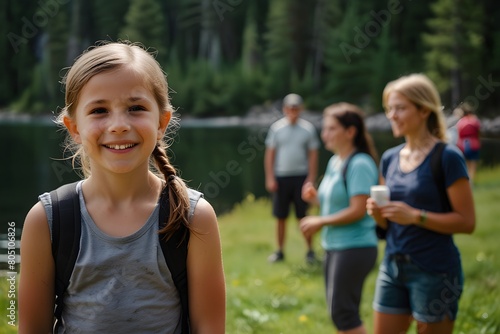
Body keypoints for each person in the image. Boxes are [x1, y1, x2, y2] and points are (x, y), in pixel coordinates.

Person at [18, 42, 226, 333]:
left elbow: (209, 327)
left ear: (161, 122)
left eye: (136, 108)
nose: (118, 125)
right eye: (99, 110)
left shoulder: (193, 217)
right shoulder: (47, 220)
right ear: (74, 127)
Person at [367, 74, 476, 334]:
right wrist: (378, 215)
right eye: (389, 108)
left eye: (400, 108)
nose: (392, 115)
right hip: (392, 266)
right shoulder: (389, 158)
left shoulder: (448, 157)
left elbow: (467, 222)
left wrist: (417, 216)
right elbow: (389, 224)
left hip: (434, 271)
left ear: (424, 110)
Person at [300, 103, 379, 334]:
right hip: (335, 246)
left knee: (344, 313)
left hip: (355, 247)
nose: (325, 134)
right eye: (325, 129)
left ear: (350, 131)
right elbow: (337, 203)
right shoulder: (336, 161)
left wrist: (320, 222)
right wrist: (316, 200)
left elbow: (358, 209)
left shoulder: (360, 163)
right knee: (339, 313)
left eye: (331, 129)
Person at [264, 93, 320, 263]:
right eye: (290, 107)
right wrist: (270, 177)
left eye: (296, 108)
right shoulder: (277, 129)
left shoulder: (308, 129)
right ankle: (280, 251)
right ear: (285, 109)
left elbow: (313, 156)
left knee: (303, 215)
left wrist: (310, 178)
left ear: (300, 109)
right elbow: (270, 155)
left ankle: (310, 251)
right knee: (281, 216)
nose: (293, 111)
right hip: (281, 177)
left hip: (301, 178)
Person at [455, 102, 481, 183]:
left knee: (465, 164)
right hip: (473, 144)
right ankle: (471, 183)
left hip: (462, 144)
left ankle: (466, 181)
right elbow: (479, 132)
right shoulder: (474, 119)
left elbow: (458, 134)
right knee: (472, 165)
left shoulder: (460, 122)